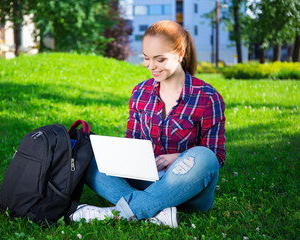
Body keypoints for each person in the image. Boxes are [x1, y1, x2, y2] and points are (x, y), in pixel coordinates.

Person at [69, 20, 226, 228]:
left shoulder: (207, 97)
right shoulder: (140, 93)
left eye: (159, 59)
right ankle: (156, 213)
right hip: (144, 180)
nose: (151, 66)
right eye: (146, 58)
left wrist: (178, 158)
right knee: (86, 156)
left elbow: (216, 156)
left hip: (186, 187)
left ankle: (120, 212)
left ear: (180, 54)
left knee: (205, 158)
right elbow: (131, 142)